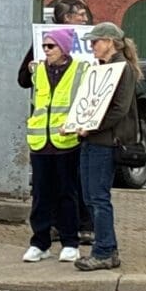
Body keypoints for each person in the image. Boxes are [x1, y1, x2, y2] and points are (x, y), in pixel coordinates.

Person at [16, 0, 95, 245]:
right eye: (80, 14)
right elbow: (22, 79)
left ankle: (83, 225)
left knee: (78, 183)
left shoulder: (91, 43)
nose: (85, 18)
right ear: (66, 19)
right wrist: (35, 65)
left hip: (80, 125)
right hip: (50, 132)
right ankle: (52, 227)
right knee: (51, 185)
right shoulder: (44, 45)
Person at [73, 22, 139, 272]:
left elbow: (119, 109)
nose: (92, 47)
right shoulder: (103, 68)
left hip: (106, 140)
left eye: (96, 42)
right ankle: (106, 248)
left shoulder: (123, 69)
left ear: (110, 42)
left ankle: (104, 251)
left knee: (98, 197)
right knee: (90, 196)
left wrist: (91, 125)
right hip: (93, 139)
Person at [22, 28, 86, 263]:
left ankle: (70, 242)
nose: (46, 51)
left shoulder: (81, 69)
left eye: (51, 46)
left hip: (66, 140)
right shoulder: (38, 69)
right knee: (40, 194)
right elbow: (21, 78)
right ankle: (40, 242)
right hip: (40, 141)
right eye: (44, 46)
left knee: (67, 193)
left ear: (64, 48)